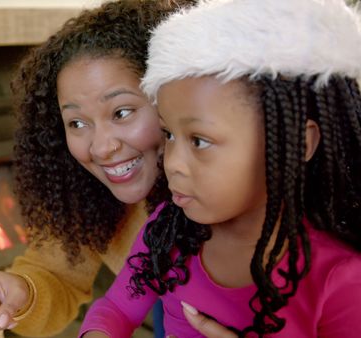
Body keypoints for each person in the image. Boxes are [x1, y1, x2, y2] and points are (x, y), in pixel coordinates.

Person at [79, 0, 361, 337]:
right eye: (169, 134)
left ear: (297, 143)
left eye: (199, 141)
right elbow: (117, 308)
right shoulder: (169, 232)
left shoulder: (340, 278)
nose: (172, 164)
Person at [0, 0, 195, 336]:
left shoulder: (242, 201)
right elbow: (67, 281)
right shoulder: (99, 197)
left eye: (122, 112)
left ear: (171, 97)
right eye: (77, 123)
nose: (101, 147)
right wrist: (19, 292)